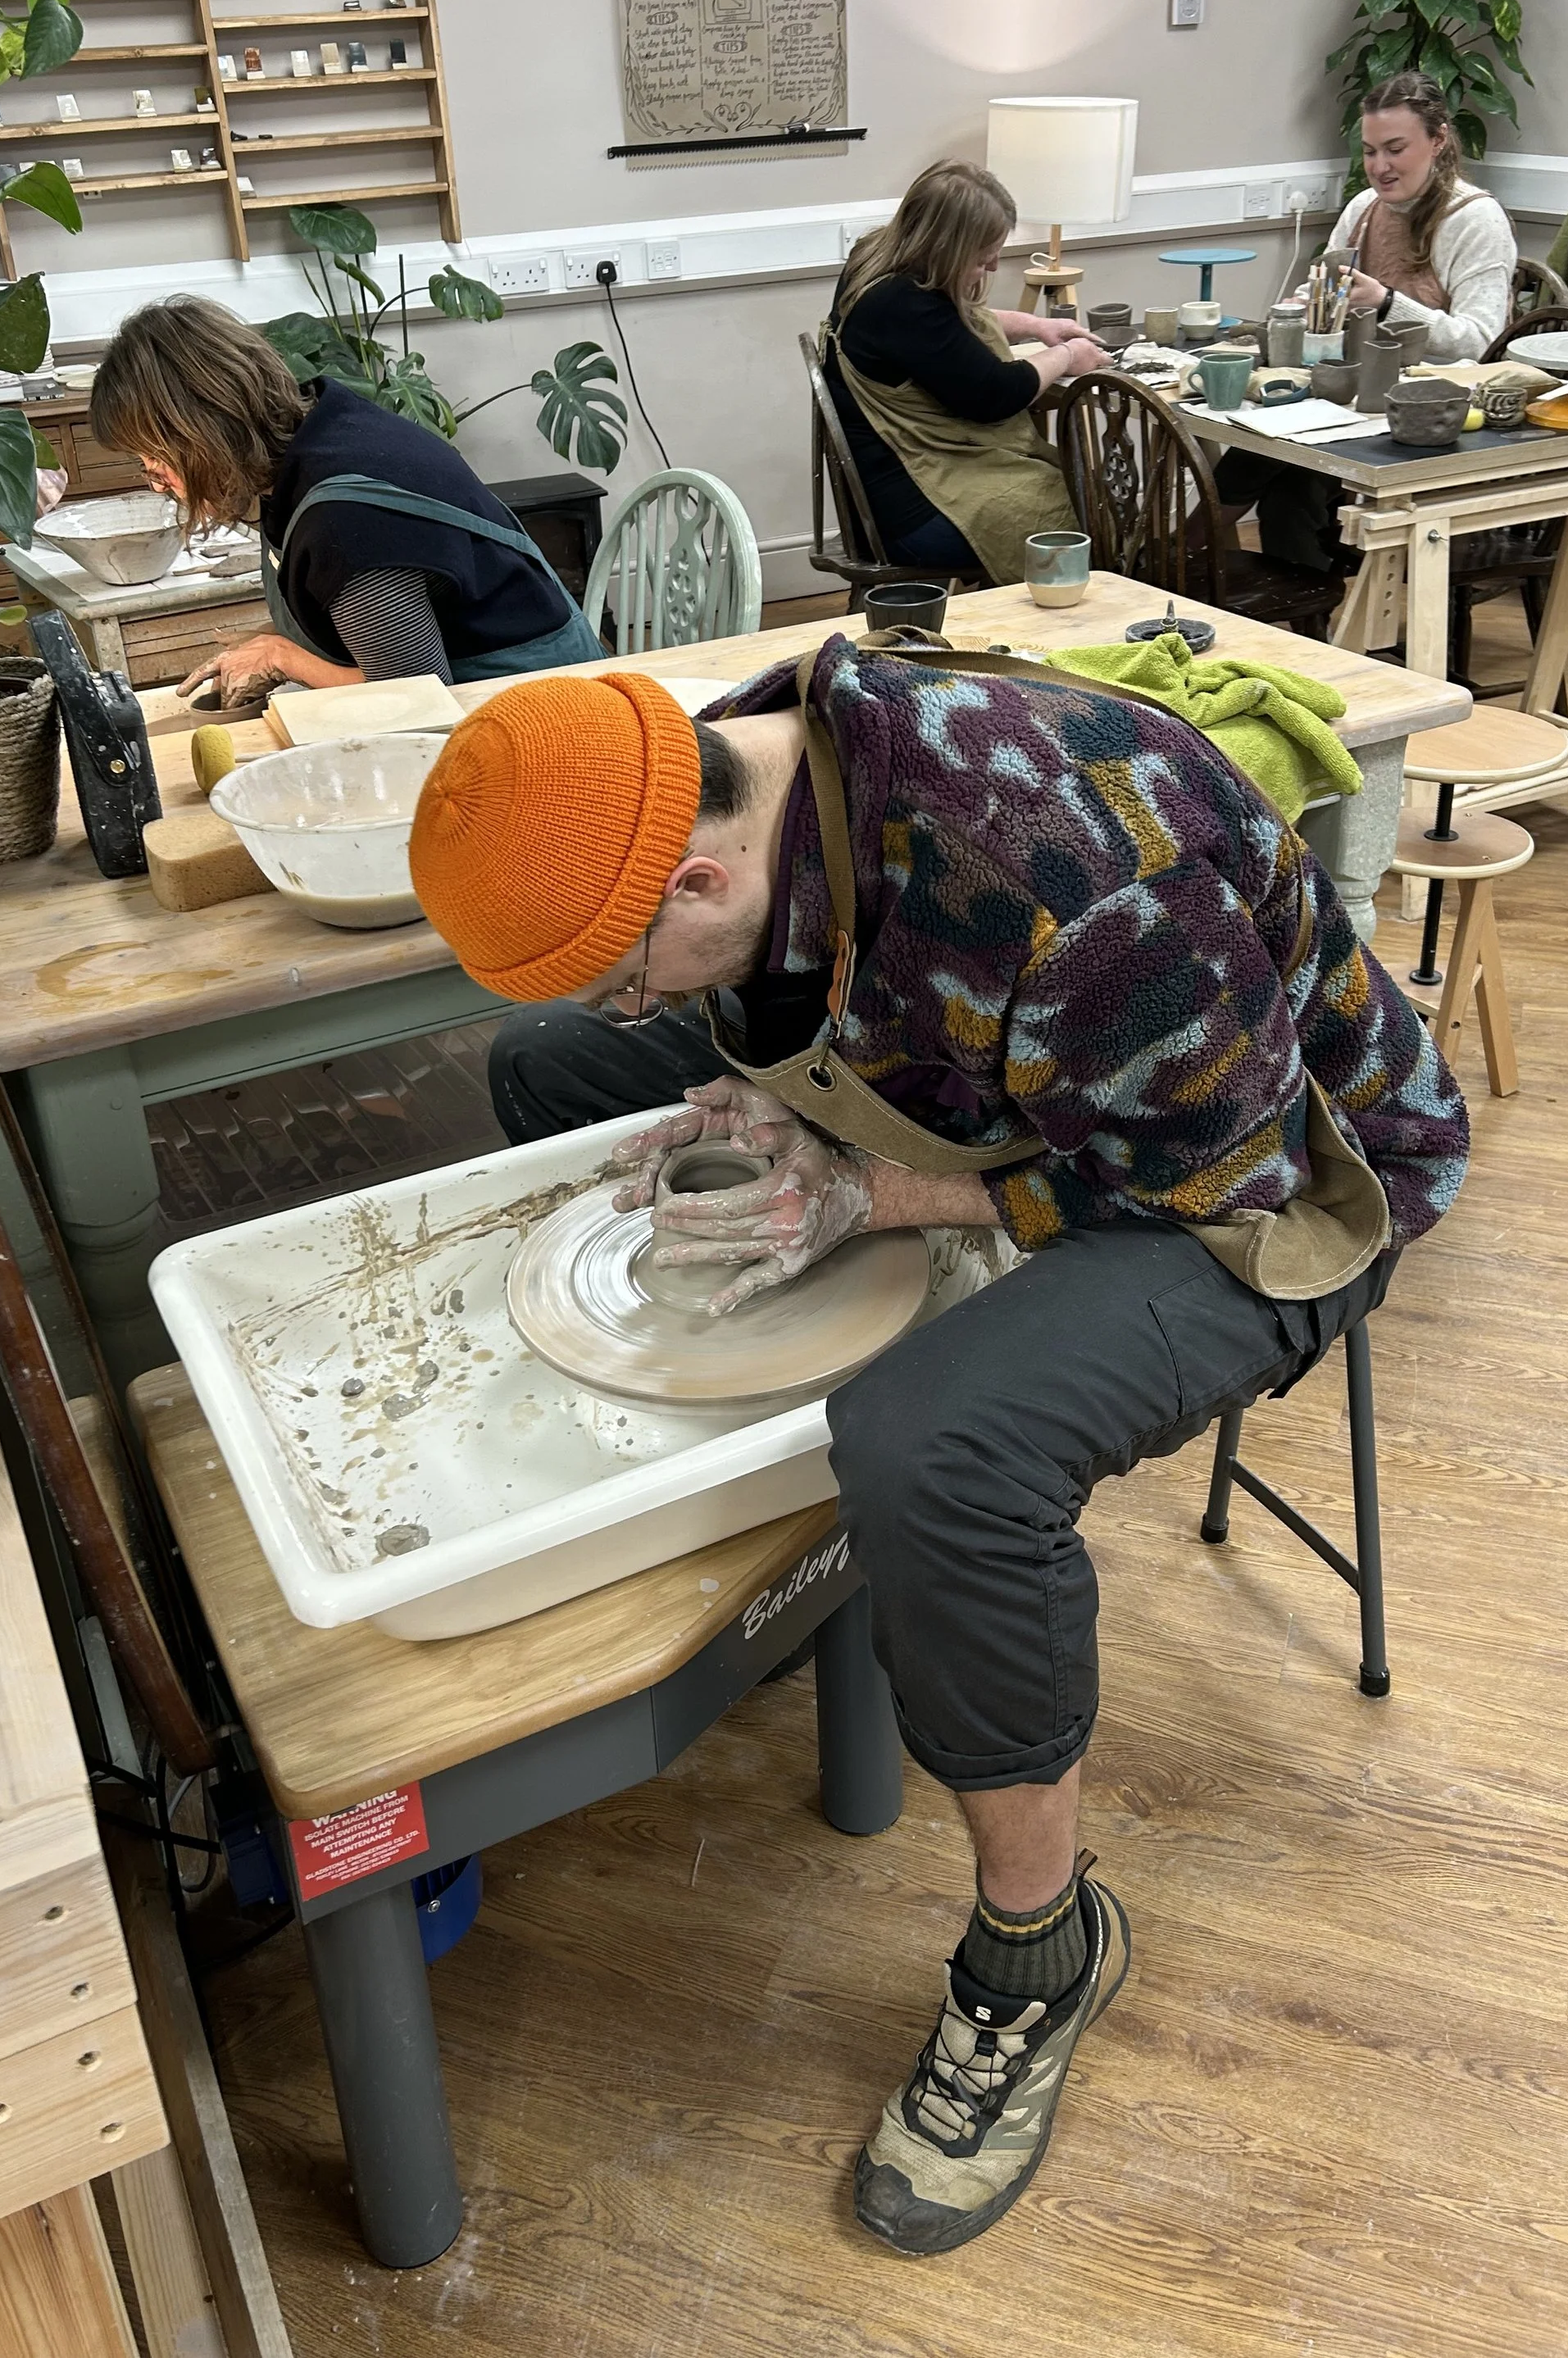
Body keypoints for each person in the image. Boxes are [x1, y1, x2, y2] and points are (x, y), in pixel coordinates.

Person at [409, 642, 1470, 2257]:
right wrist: (759, 1090)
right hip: (1038, 1067)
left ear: (697, 867)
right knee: (545, 1074)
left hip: (1282, 1175)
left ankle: (1039, 1947)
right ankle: (824, 1573)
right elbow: (824, 978)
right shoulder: (759, 754)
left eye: (634, 967)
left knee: (929, 1447)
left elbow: (1225, 1181)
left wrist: (871, 1190)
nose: (637, 999)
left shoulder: (1080, 882)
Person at [85, 297, 602, 706]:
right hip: (513, 691)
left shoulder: (344, 517)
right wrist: (265, 641)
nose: (156, 480)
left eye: (156, 456)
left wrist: (282, 656)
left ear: (205, 431)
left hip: (547, 708)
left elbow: (418, 697)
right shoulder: (319, 428)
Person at [1216, 69, 1519, 571]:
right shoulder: (1364, 208)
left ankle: (1176, 556)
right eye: (1370, 151)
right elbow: (1324, 295)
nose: (1380, 167)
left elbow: (1479, 344)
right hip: (1356, 405)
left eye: (1395, 149)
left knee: (1284, 474)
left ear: (1438, 139)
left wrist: (1384, 301)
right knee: (1272, 452)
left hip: (1429, 420)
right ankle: (1262, 600)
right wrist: (1304, 307)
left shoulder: (1475, 221)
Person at [823, 159, 1111, 581]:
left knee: (1071, 487)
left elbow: (950, 328)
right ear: (944, 247)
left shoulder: (877, 260)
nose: (993, 267)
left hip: (885, 490)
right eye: (982, 257)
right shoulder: (902, 303)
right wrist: (1069, 356)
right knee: (1089, 506)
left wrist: (1035, 325)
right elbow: (995, 394)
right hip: (912, 516)